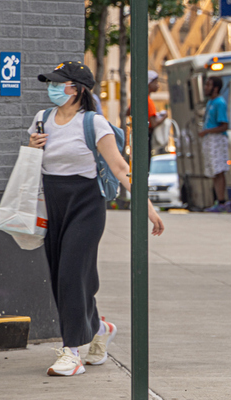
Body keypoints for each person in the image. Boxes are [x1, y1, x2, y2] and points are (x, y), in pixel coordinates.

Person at [28, 60, 165, 377]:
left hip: (86, 204)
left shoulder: (93, 123)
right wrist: (32, 146)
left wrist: (149, 209)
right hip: (52, 202)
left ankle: (71, 351)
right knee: (70, 276)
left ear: (76, 89)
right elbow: (33, 164)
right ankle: (99, 329)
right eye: (50, 82)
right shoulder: (41, 120)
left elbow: (120, 169)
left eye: (58, 83)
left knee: (71, 275)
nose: (52, 87)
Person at [199, 75, 231, 211]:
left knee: (219, 170)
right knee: (213, 171)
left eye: (208, 85)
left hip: (217, 139)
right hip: (209, 140)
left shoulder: (220, 103)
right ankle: (218, 200)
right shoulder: (210, 102)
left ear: (215, 88)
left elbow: (224, 125)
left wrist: (207, 131)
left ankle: (222, 201)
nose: (205, 88)